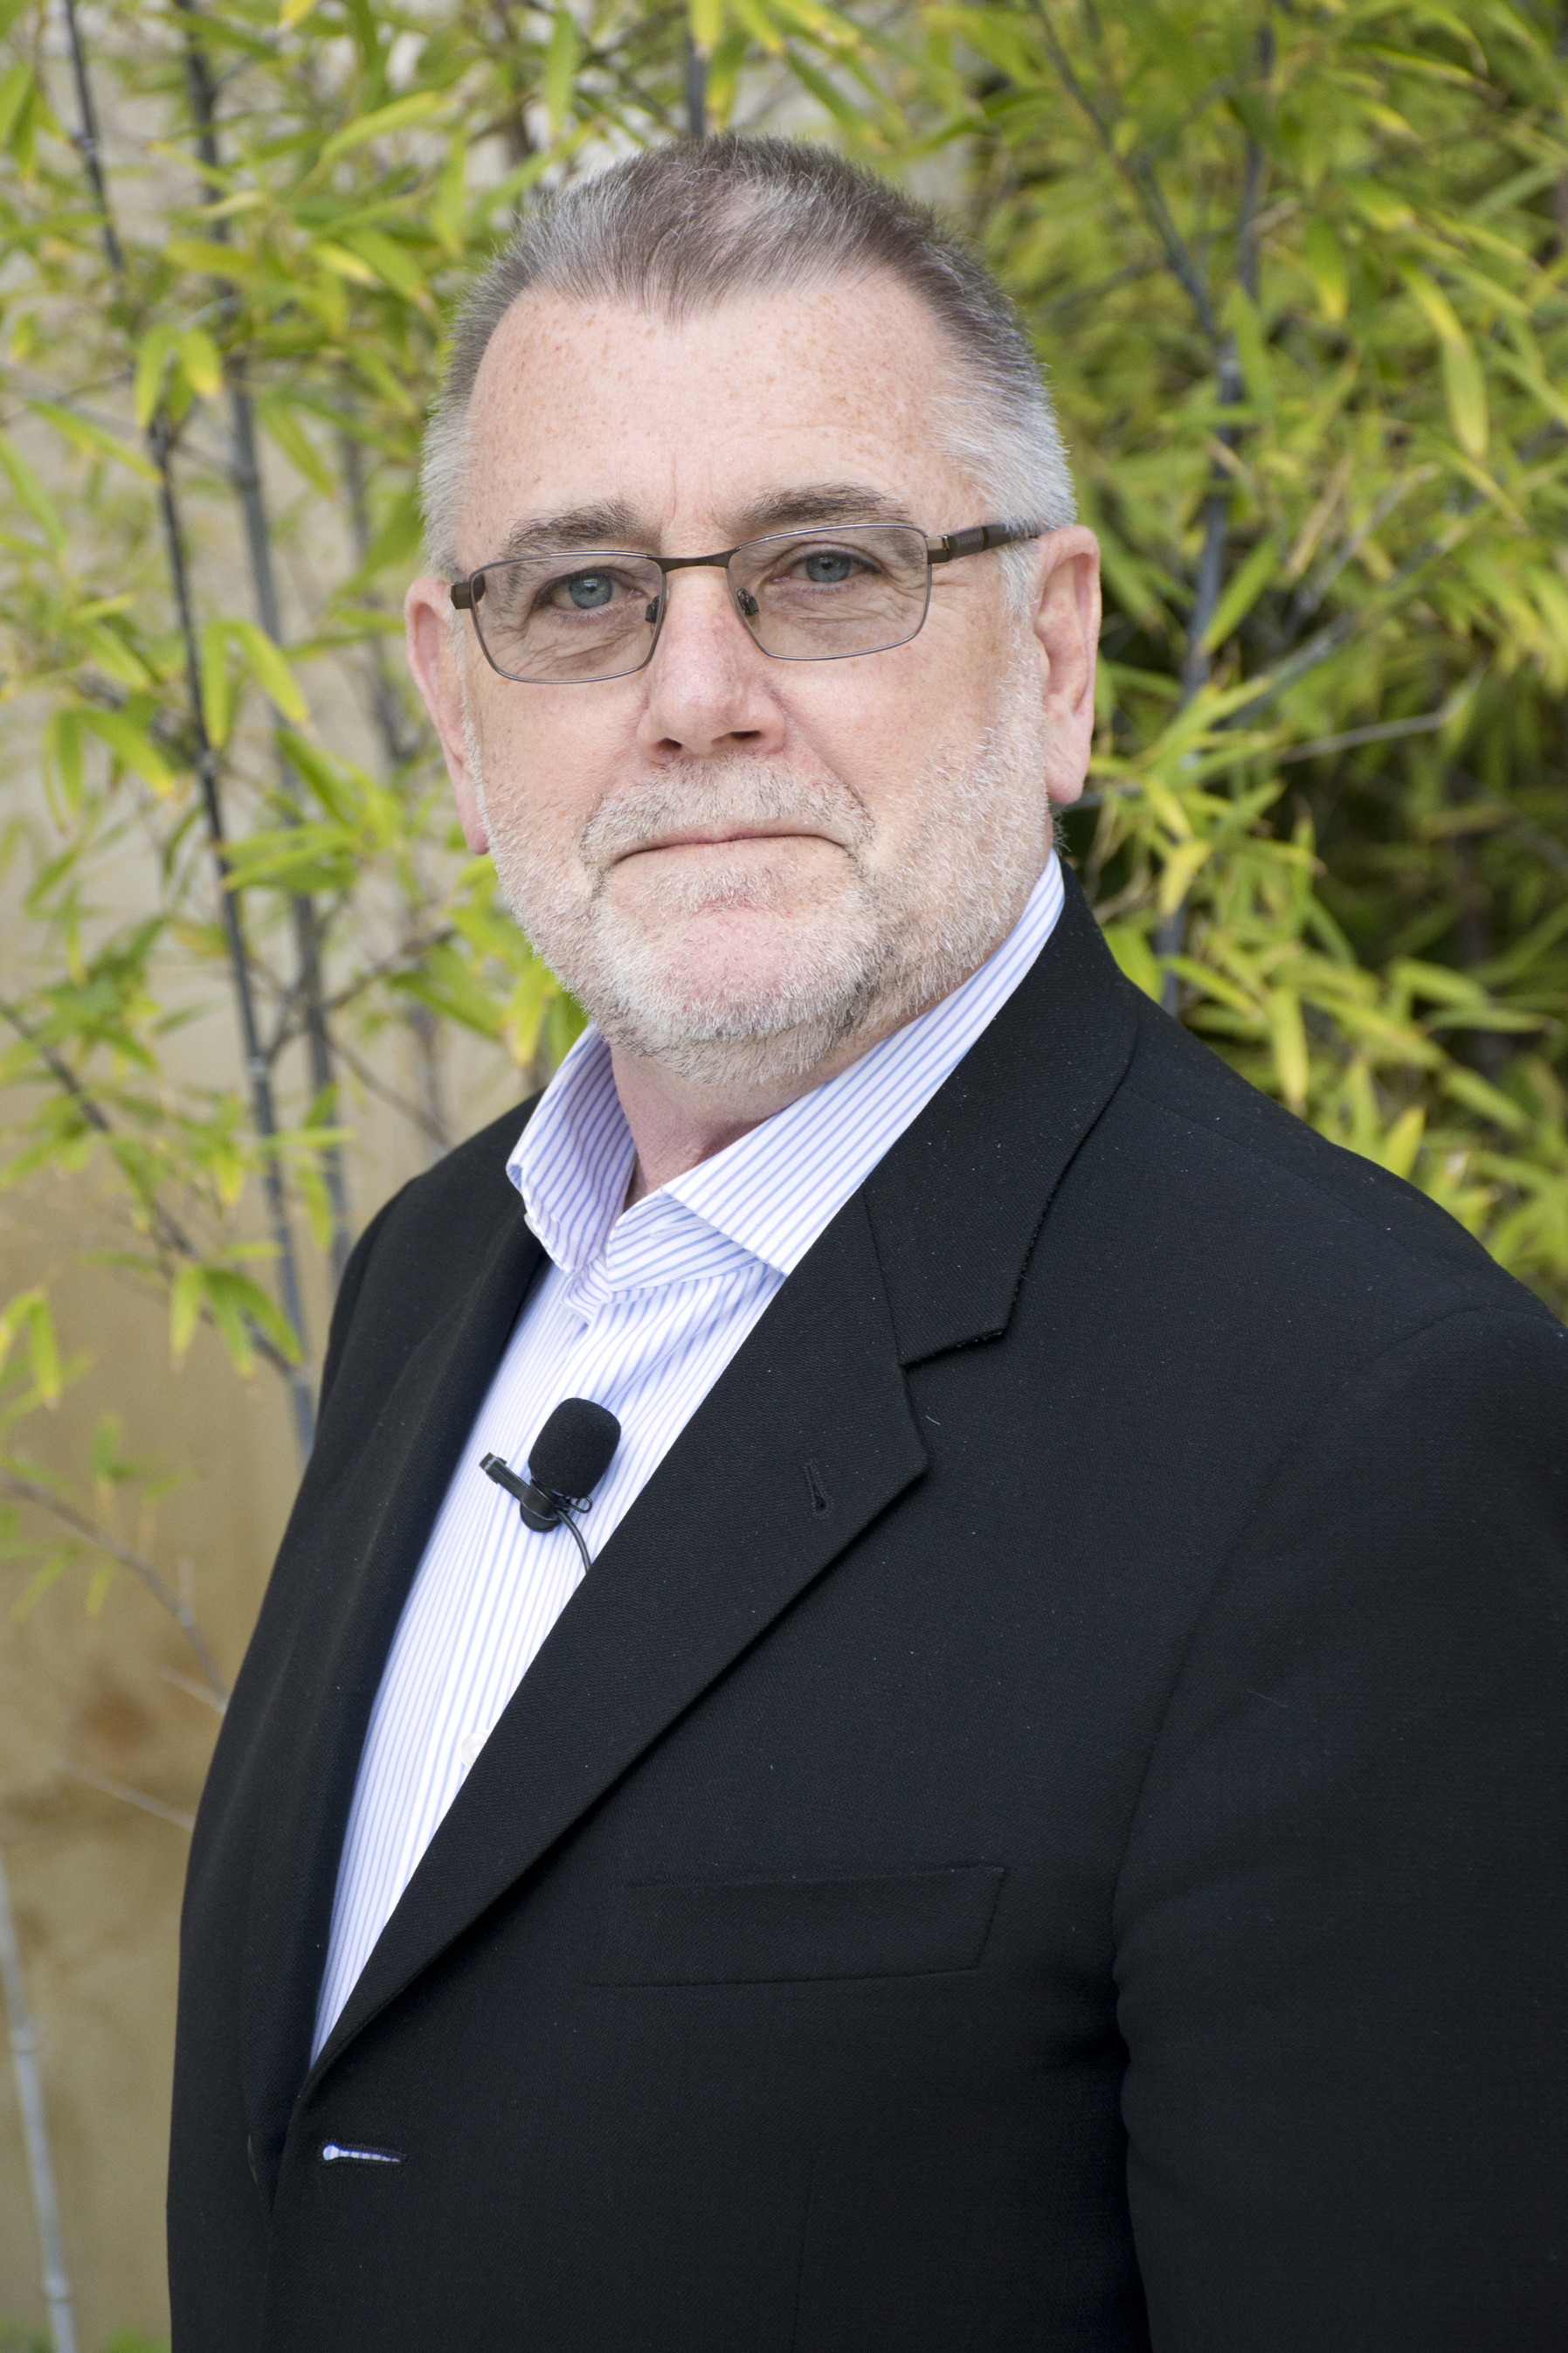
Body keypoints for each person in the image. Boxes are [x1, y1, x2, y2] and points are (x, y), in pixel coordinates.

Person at [169, 135, 1567, 2353]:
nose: (695, 690)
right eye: (581, 592)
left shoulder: (1367, 1434)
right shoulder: (429, 1275)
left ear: (1057, 652)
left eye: (824, 569)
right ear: (453, 699)